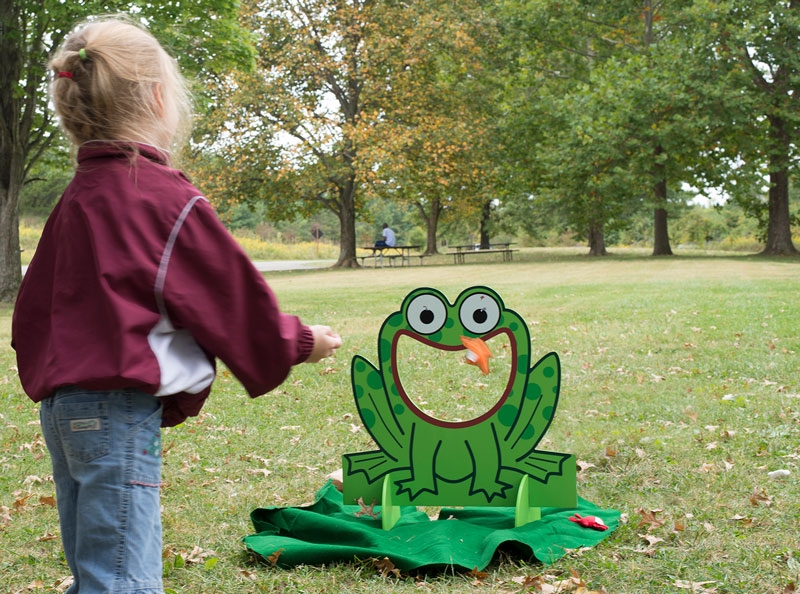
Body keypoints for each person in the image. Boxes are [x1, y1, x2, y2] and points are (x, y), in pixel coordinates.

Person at [11, 17, 341, 594]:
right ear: (160, 98)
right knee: (122, 578)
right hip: (115, 410)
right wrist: (299, 341)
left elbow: (36, 311)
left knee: (96, 562)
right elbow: (228, 297)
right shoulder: (163, 199)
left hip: (64, 411)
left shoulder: (77, 198)